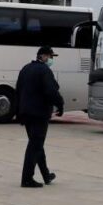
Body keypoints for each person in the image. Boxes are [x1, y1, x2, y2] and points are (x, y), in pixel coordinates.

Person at [15, 46, 64, 188]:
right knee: (35, 146)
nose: (51, 59)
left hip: (26, 113)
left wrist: (19, 111)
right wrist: (60, 104)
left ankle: (46, 175)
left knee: (37, 145)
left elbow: (18, 90)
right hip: (39, 113)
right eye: (50, 56)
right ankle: (27, 179)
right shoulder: (44, 70)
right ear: (42, 56)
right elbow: (51, 90)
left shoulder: (25, 68)